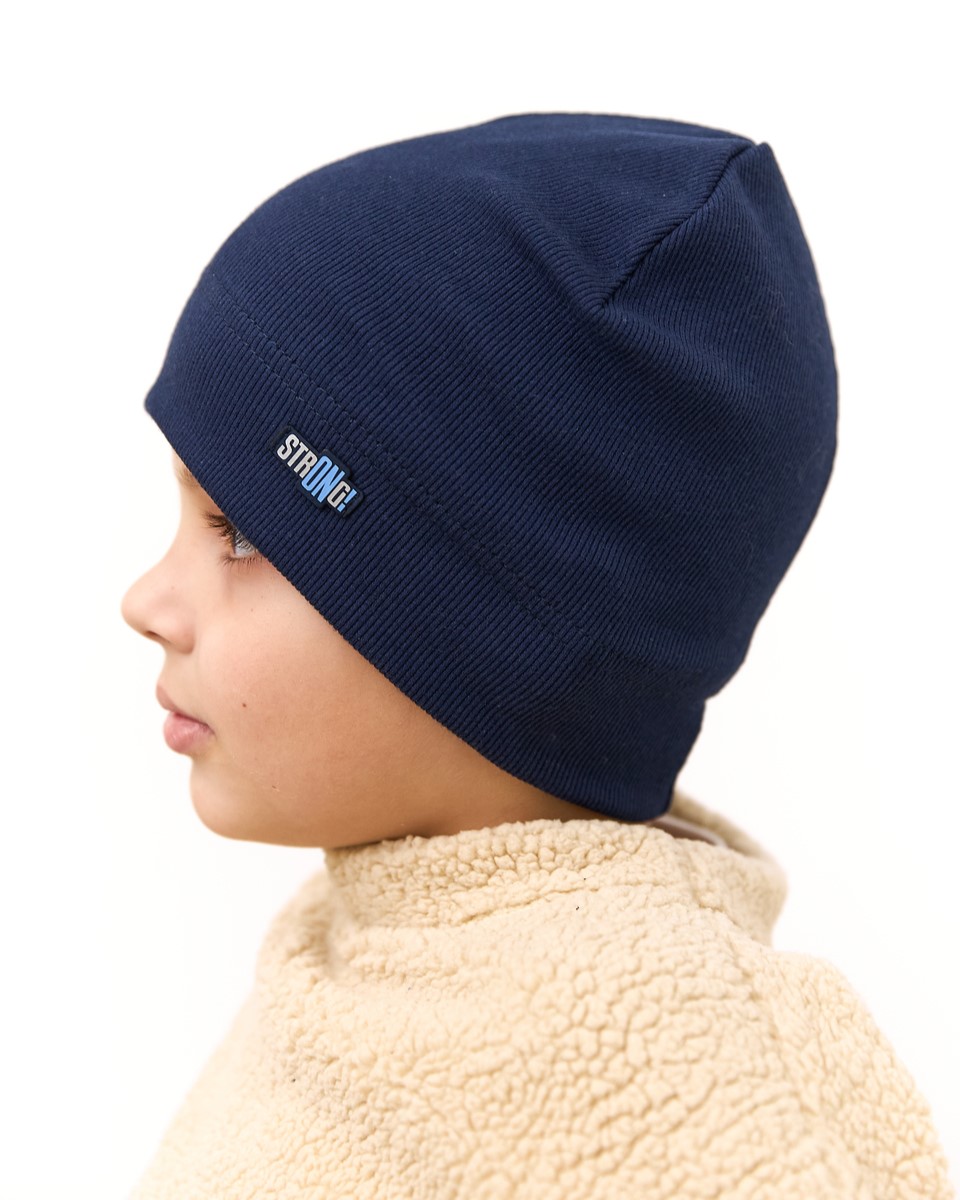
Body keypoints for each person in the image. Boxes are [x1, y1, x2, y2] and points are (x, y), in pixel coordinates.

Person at [121, 112, 955, 1199]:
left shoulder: (699, 1112)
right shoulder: (357, 954)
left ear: (483, 625)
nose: (145, 602)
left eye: (238, 530)